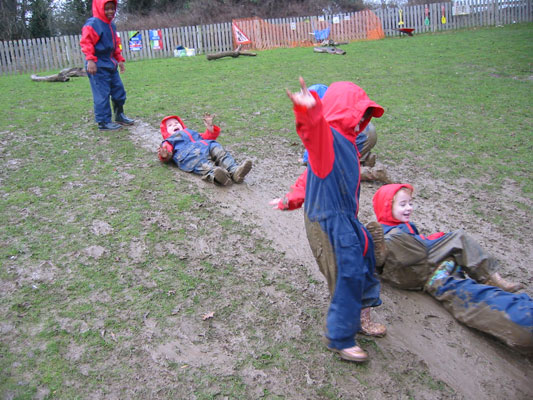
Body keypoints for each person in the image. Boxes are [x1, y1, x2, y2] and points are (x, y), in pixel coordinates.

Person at [284, 77, 386, 362]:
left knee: (364, 259)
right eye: (357, 115)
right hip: (327, 221)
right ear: (343, 112)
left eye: (363, 117)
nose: (360, 122)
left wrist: (289, 199)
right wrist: (307, 112)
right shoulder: (327, 137)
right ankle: (341, 337)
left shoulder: (350, 144)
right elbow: (313, 134)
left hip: (346, 217)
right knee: (346, 273)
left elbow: (309, 177)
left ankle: (362, 315)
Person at [368, 183, 532, 353]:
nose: (409, 208)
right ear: (387, 207)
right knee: (452, 238)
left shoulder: (407, 228)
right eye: (403, 204)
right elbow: (423, 247)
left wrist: (434, 239)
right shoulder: (390, 230)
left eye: (410, 203)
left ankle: (491, 279)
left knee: (420, 247)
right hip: (408, 266)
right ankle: (379, 256)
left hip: (425, 269)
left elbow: (423, 245)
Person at [300, 84, 389, 183]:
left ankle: (373, 172)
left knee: (335, 170)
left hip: (361, 134)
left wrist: (307, 160)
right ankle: (362, 159)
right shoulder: (331, 100)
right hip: (364, 129)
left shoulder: (324, 115)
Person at [80, 0, 134, 131]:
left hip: (110, 64)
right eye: (107, 9)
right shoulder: (93, 24)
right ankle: (103, 122)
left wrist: (119, 59)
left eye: (112, 8)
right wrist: (91, 60)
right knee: (102, 94)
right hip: (97, 65)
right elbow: (86, 42)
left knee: (119, 91)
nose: (110, 12)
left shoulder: (111, 26)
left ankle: (119, 115)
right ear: (99, 8)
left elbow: (115, 44)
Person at [158, 113, 252, 186]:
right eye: (170, 125)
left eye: (176, 123)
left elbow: (207, 137)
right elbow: (167, 153)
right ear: (166, 132)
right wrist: (165, 155)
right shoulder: (168, 141)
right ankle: (219, 177)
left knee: (219, 151)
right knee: (205, 166)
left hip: (206, 146)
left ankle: (235, 171)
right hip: (190, 156)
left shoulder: (191, 133)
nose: (174, 125)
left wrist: (210, 127)